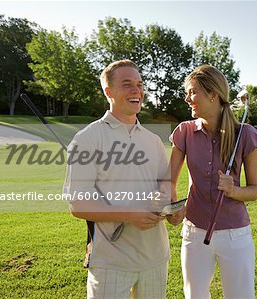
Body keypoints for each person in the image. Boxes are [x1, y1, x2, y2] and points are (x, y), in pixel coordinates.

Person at [63, 59, 182, 299]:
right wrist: (129, 214)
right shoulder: (86, 139)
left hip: (156, 258)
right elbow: (78, 205)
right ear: (108, 92)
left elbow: (165, 187)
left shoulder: (153, 140)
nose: (136, 90)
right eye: (127, 84)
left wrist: (173, 210)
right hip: (111, 262)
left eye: (139, 84)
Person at [169, 65, 257, 299]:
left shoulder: (246, 134)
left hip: (235, 235)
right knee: (195, 296)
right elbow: (167, 182)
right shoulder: (184, 132)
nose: (187, 98)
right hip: (194, 233)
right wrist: (173, 207)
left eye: (192, 92)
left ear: (213, 95)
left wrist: (233, 190)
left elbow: (254, 191)